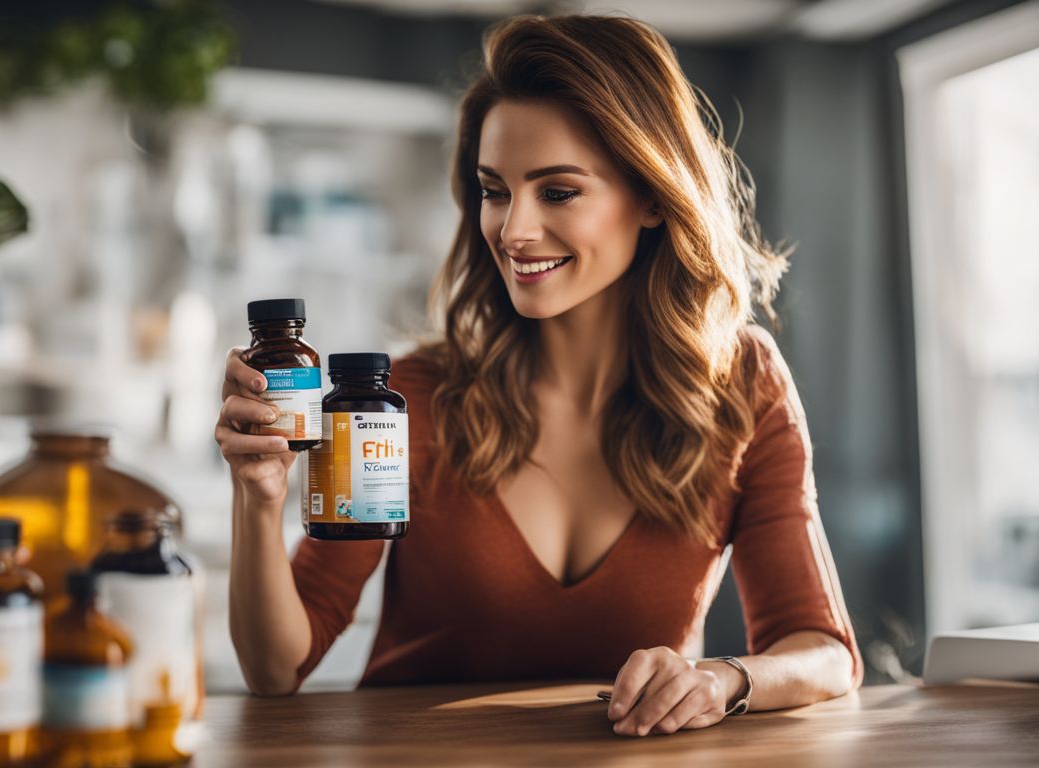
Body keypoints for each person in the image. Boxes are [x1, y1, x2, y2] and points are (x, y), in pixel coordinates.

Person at [214, 14, 861, 738]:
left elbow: (823, 653)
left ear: (651, 196)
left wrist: (722, 680)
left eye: (557, 192)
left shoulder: (744, 383)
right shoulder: (406, 399)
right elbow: (277, 669)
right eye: (496, 190)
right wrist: (258, 496)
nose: (514, 230)